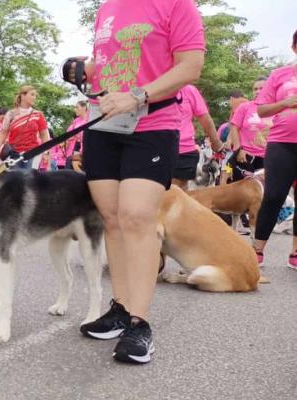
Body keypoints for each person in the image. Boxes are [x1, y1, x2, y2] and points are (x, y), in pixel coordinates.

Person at [74, 0, 207, 364]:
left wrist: (138, 94)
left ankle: (140, 323)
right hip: (104, 125)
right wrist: (85, 70)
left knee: (136, 217)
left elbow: (191, 66)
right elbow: (112, 65)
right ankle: (120, 307)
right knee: (112, 217)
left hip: (153, 123)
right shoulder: (107, 8)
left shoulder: (177, 5)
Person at [252, 30, 297, 270]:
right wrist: (286, 103)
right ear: (294, 47)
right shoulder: (279, 75)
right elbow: (261, 110)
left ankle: (295, 253)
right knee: (273, 196)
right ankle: (257, 250)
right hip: (281, 143)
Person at [171, 84, 222, 188]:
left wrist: (216, 142)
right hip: (151, 148)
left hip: (183, 150)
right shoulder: (145, 85)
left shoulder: (188, 89)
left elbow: (204, 117)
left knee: (177, 194)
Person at [0, 85, 50, 169]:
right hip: (14, 154)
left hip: (32, 153)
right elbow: (3, 132)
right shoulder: (11, 114)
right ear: (23, 95)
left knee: (30, 178)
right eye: (32, 94)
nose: (35, 97)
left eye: (36, 96)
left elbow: (44, 135)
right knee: (16, 179)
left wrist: (46, 152)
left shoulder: (38, 115)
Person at [227, 78, 272, 182]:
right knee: (240, 191)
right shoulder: (245, 107)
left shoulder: (276, 107)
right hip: (245, 156)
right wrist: (238, 150)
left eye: (261, 88)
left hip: (269, 157)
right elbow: (234, 127)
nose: (258, 91)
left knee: (266, 193)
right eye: (255, 89)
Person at [51, 100, 87, 170]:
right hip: (74, 147)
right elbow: (68, 133)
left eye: (77, 107)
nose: (75, 109)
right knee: (69, 167)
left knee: (80, 170)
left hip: (85, 148)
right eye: (75, 107)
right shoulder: (76, 120)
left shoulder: (89, 119)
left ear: (84, 108)